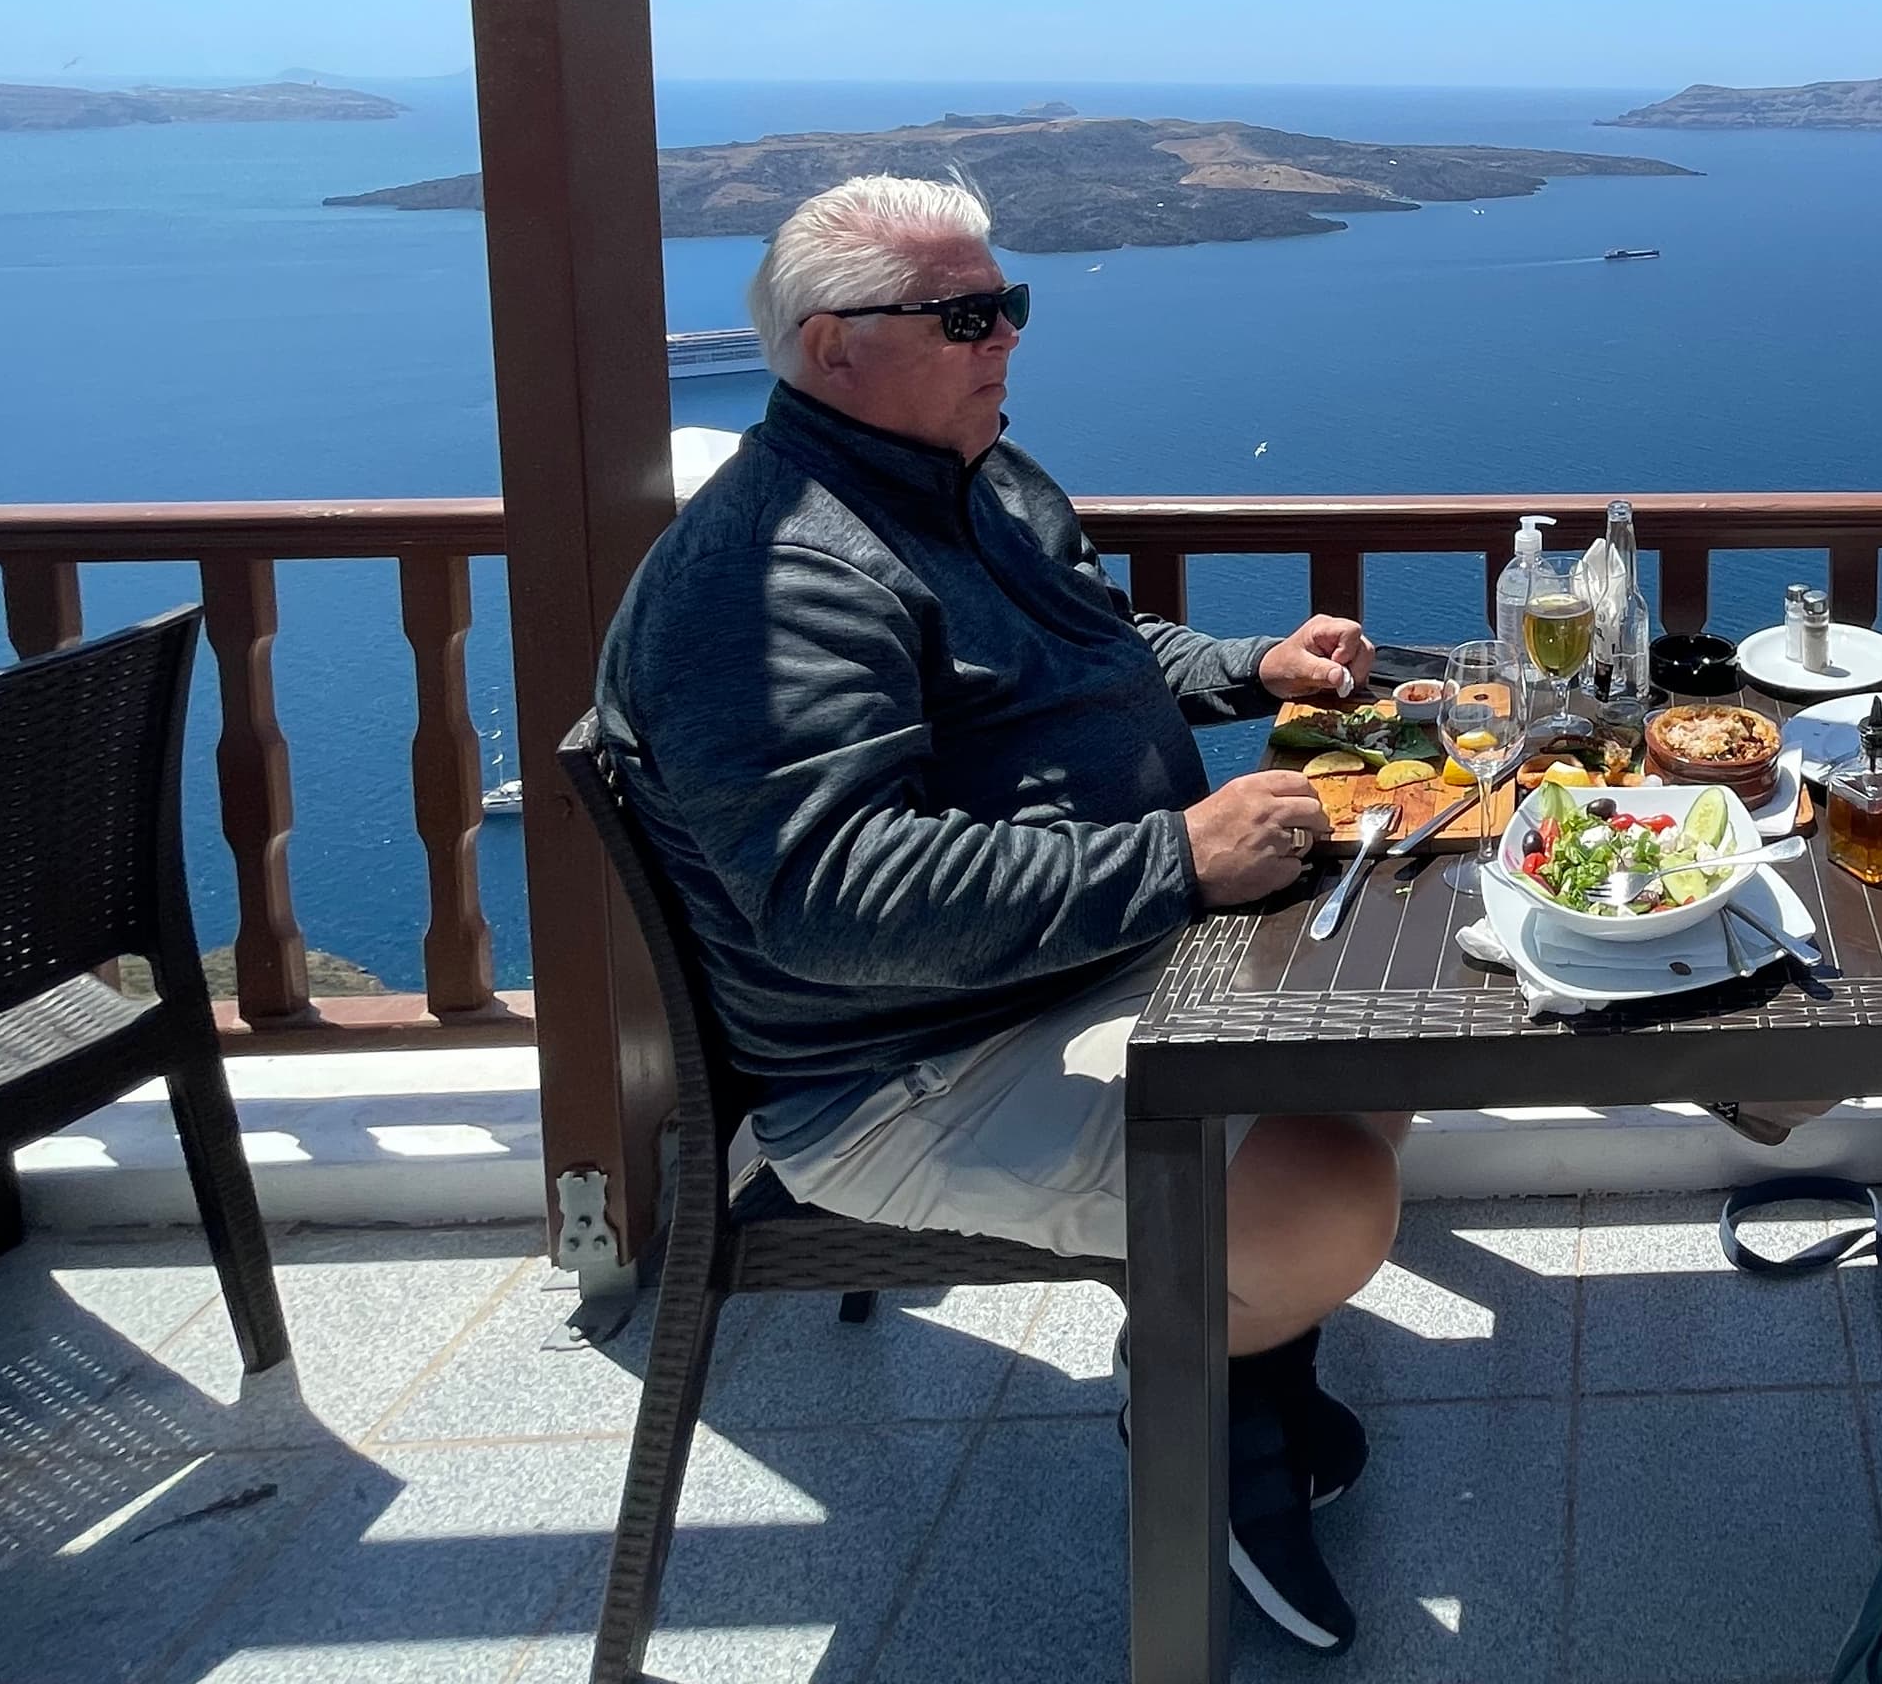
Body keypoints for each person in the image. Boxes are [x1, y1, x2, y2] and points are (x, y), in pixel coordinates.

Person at [592, 172, 1401, 1651]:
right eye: (964, 316)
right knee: (1329, 1191)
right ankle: (1204, 1426)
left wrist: (1243, 670)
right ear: (832, 347)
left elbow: (1089, 644)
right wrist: (1173, 859)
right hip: (902, 1067)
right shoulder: (766, 580)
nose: (1005, 340)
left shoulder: (980, 477)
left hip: (1066, 970)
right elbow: (829, 899)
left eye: (1007, 305)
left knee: (1375, 1014)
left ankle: (1243, 1352)